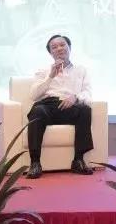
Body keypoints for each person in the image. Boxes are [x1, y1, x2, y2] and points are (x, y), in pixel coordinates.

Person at [24, 34, 95, 179]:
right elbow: (33, 95)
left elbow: (88, 93)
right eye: (54, 47)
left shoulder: (81, 70)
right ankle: (35, 163)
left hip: (69, 105)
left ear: (69, 47)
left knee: (85, 110)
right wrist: (50, 76)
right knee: (37, 111)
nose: (59, 49)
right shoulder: (43, 71)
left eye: (62, 45)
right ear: (51, 53)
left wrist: (75, 97)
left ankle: (78, 160)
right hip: (48, 106)